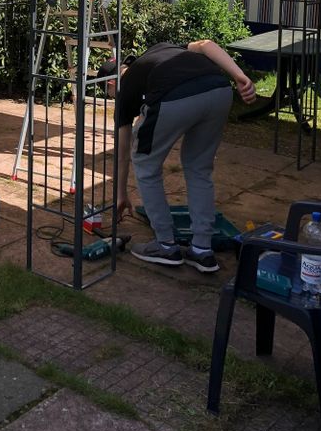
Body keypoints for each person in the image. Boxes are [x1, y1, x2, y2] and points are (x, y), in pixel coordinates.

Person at [99, 40, 256, 273]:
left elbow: (123, 153)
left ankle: (165, 245)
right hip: (219, 90)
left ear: (111, 83)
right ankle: (202, 249)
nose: (113, 98)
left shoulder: (124, 89)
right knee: (199, 167)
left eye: (109, 94)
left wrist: (121, 194)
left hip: (173, 95)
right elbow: (206, 45)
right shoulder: (159, 49)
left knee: (145, 163)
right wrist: (239, 76)